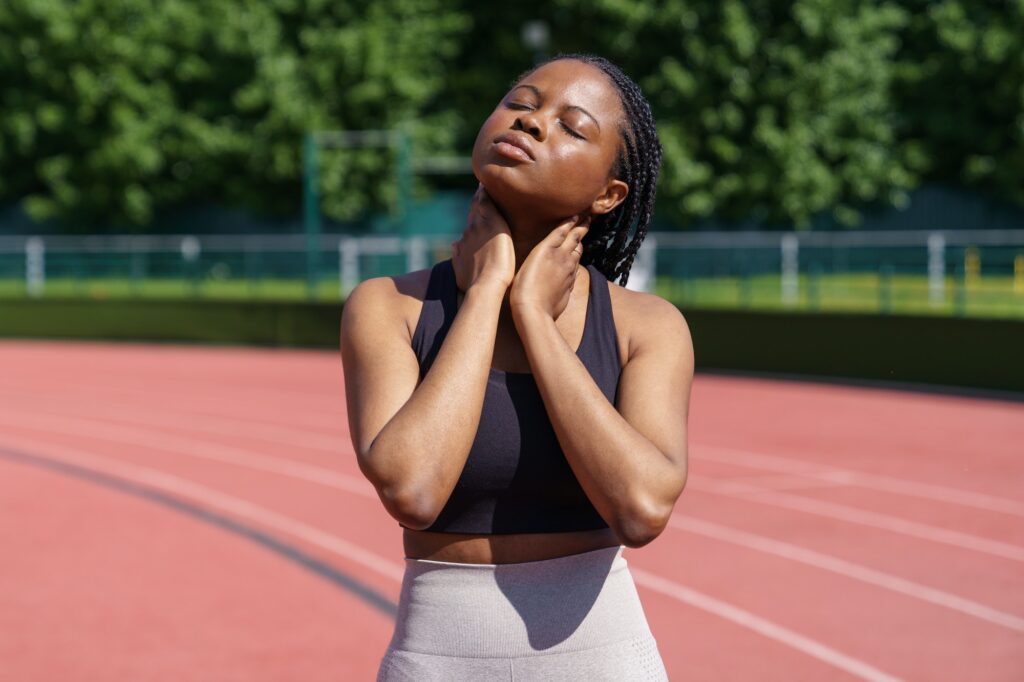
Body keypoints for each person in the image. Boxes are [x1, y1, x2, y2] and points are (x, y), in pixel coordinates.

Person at [340, 52, 694, 681]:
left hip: (604, 662)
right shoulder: (388, 308)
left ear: (609, 194)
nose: (531, 124)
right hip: (437, 661)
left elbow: (641, 509)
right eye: (521, 104)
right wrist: (484, 295)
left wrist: (533, 316)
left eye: (571, 126)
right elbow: (412, 490)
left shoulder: (650, 327)